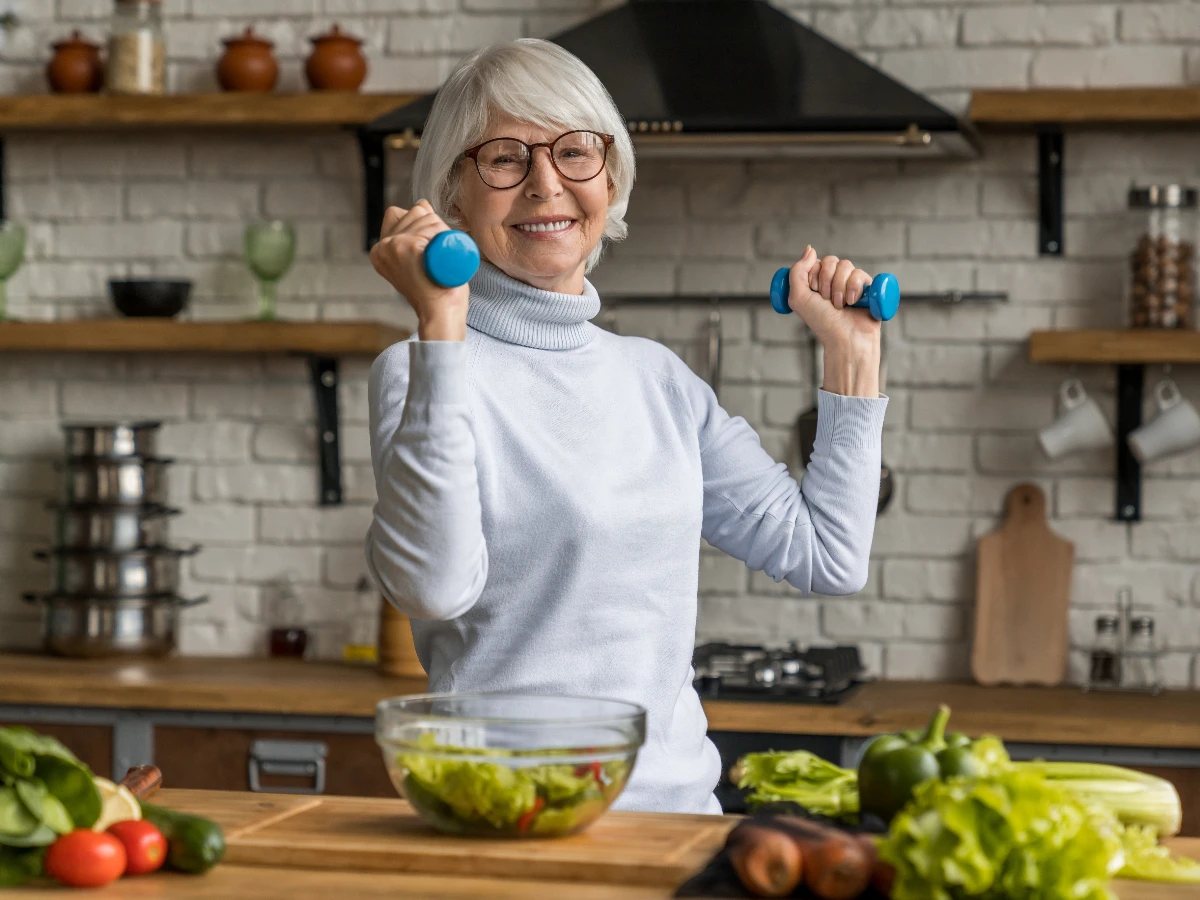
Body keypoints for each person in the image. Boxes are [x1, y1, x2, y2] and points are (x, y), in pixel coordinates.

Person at [365, 38, 887, 815]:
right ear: (453, 192)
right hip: (511, 822)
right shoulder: (423, 368)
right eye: (505, 158)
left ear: (609, 177)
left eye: (575, 152)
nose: (547, 184)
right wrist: (443, 319)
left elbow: (829, 556)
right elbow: (435, 589)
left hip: (678, 823)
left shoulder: (659, 380)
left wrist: (853, 352)